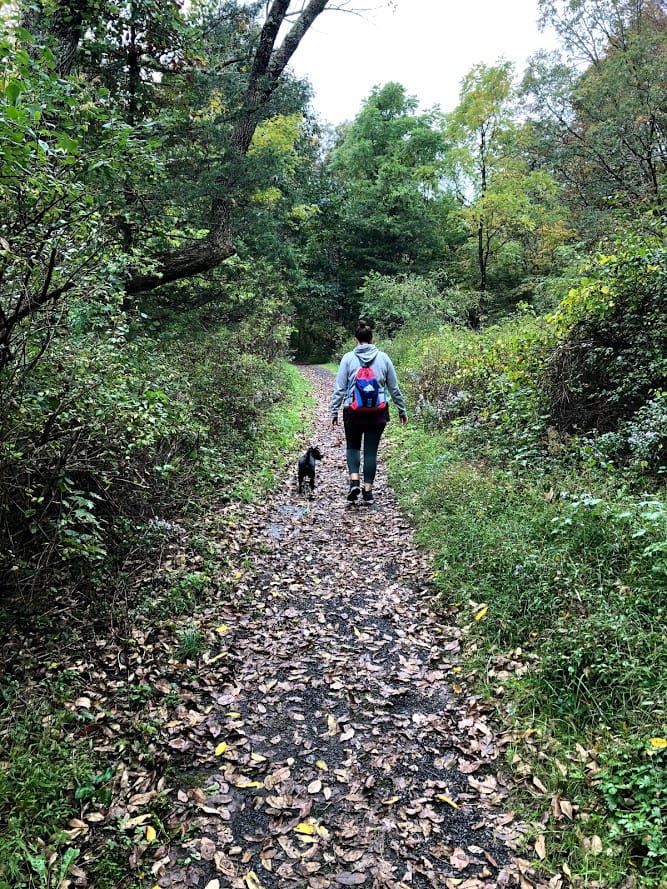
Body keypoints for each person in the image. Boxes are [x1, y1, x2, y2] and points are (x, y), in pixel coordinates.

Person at [331, 319, 408, 505]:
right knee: (371, 451)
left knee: (352, 447)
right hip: (377, 411)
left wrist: (334, 410)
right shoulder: (384, 358)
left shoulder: (348, 358)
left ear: (355, 339)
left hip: (353, 410)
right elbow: (394, 388)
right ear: (372, 338)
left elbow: (340, 388)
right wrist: (401, 409)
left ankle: (354, 481)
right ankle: (368, 492)